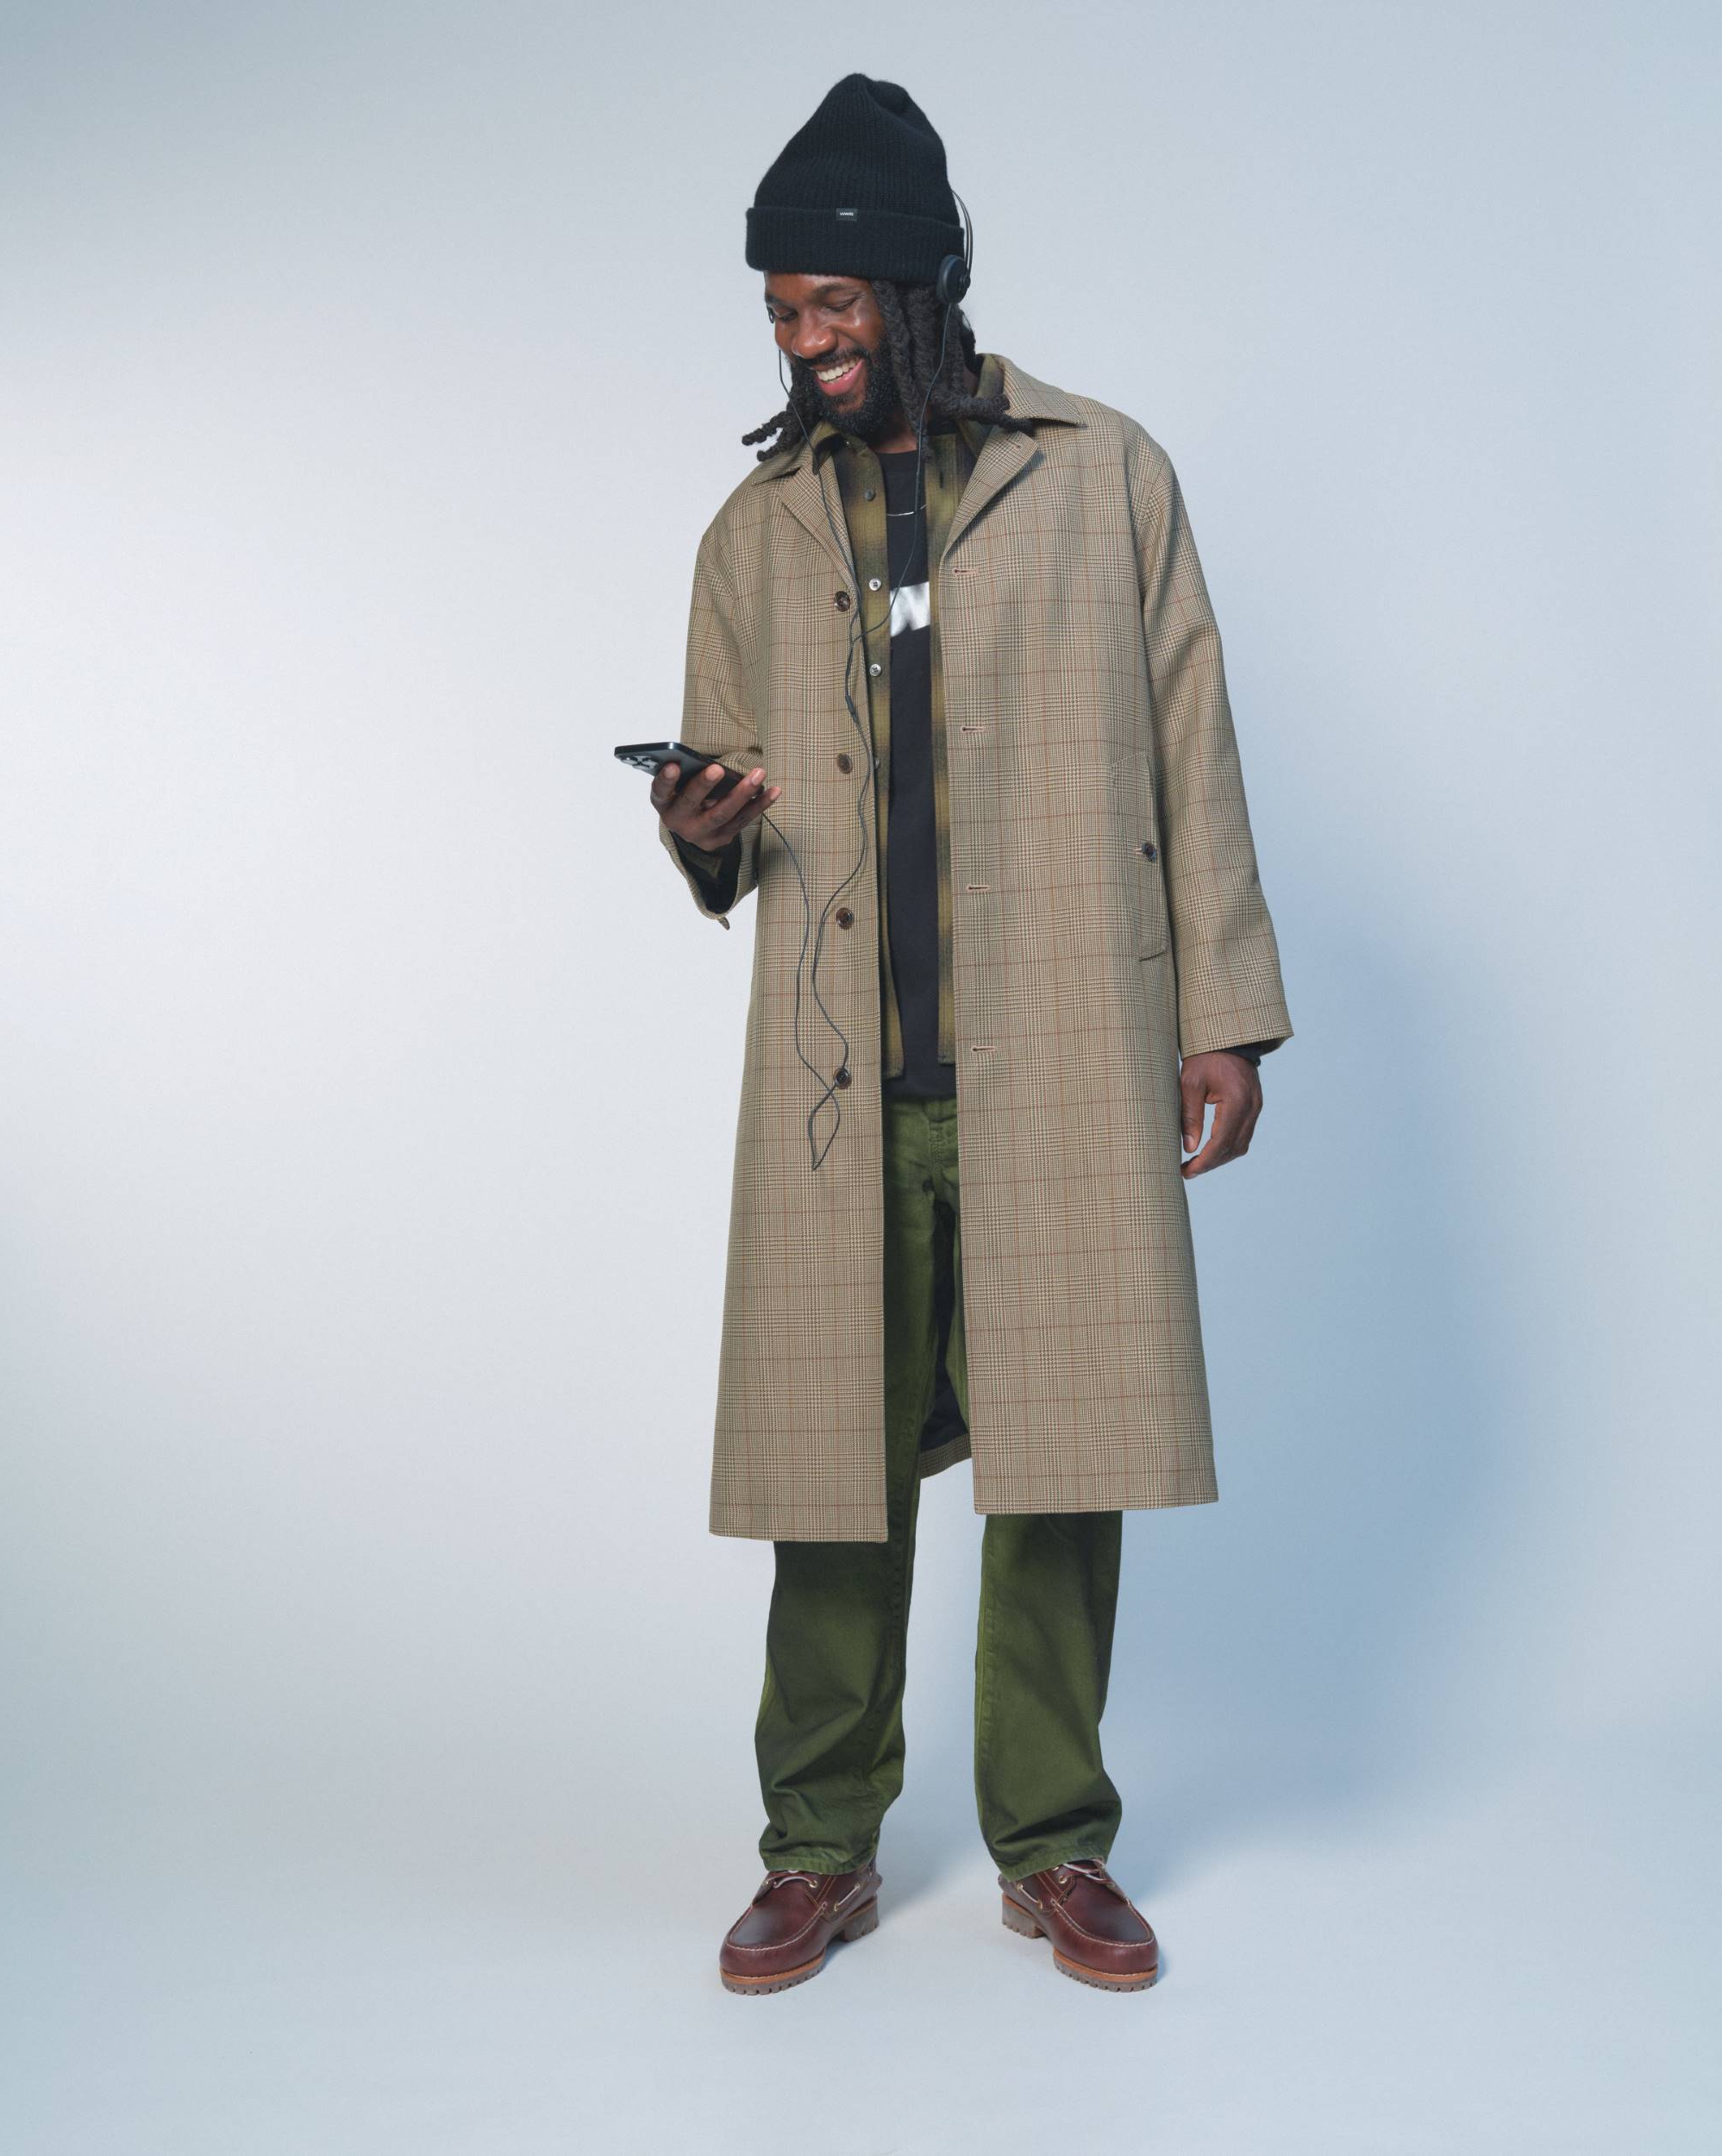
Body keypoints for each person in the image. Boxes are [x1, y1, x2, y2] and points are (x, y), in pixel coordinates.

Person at [648, 74, 1292, 1996]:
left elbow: (1192, 743)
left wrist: (1226, 1014)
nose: (805, 340)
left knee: (1063, 1459)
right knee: (828, 1473)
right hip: (848, 1073)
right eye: (782, 310)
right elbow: (725, 791)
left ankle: (1055, 1843)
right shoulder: (759, 524)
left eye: (832, 303)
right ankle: (816, 1848)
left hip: (1064, 1040)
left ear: (919, 287)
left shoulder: (1103, 474)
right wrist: (697, 825)